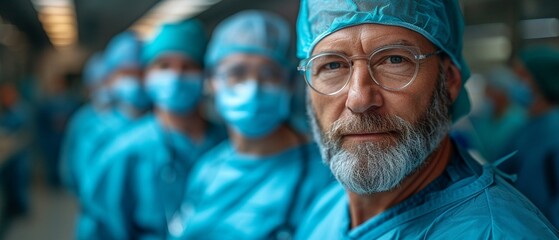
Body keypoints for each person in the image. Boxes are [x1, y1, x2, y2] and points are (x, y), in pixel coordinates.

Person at [294, 0, 558, 239]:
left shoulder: (496, 233)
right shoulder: (325, 209)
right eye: (332, 65)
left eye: (394, 60)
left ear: (449, 81)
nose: (360, 99)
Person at [176, 10, 332, 239]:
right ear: (211, 82)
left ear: (289, 85)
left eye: (269, 74)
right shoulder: (208, 169)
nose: (253, 88)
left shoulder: (321, 175)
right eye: (236, 73)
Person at [82, 19, 226, 239]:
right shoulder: (122, 154)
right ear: (147, 75)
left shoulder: (227, 146)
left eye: (188, 66)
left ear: (205, 76)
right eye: (163, 66)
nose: (176, 76)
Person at [501, 45, 559, 227]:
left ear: (542, 79)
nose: (517, 83)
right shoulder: (528, 126)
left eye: (523, 76)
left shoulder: (553, 130)